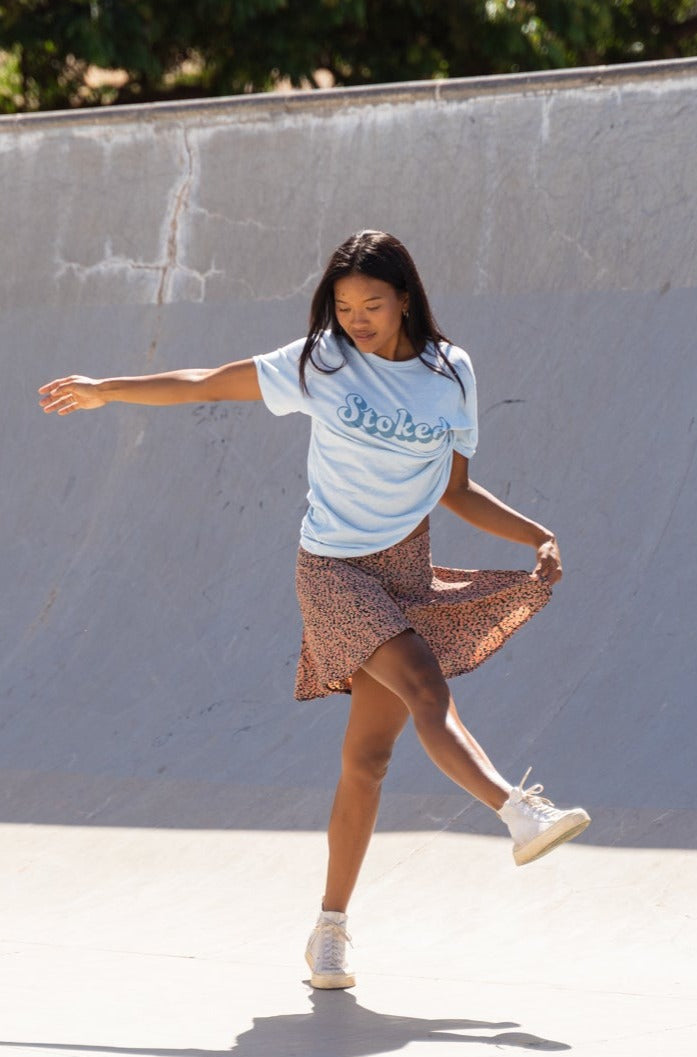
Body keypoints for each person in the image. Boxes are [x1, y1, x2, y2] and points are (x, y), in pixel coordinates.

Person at [38, 230, 588, 991]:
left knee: (368, 760)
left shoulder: (449, 372)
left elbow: (453, 489)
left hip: (405, 568)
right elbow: (206, 382)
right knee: (428, 687)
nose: (356, 318)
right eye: (342, 305)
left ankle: (328, 930)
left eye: (371, 304)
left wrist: (538, 533)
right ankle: (515, 810)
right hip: (332, 568)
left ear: (405, 299)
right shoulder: (321, 364)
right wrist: (110, 388)